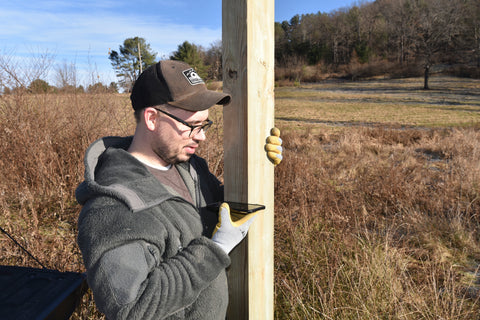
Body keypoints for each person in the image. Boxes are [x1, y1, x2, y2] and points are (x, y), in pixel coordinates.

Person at [75, 60, 282, 320]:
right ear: (152, 118)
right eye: (193, 125)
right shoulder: (114, 207)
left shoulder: (191, 168)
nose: (201, 136)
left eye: (205, 125)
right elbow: (130, 308)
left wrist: (260, 167)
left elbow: (222, 209)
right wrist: (214, 250)